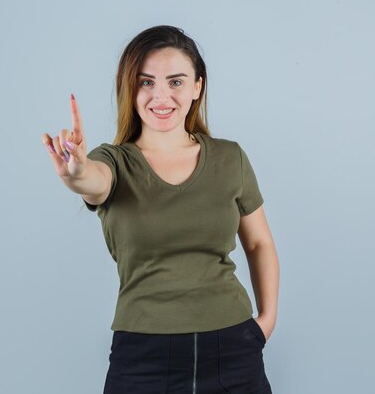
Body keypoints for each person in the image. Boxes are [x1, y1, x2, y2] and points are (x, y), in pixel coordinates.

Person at [41, 25, 279, 394]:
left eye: (176, 82)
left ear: (197, 87)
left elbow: (259, 243)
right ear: (130, 89)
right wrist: (77, 171)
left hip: (233, 348)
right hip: (143, 356)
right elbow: (93, 180)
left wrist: (265, 322)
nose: (161, 95)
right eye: (146, 82)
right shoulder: (114, 162)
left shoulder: (230, 159)